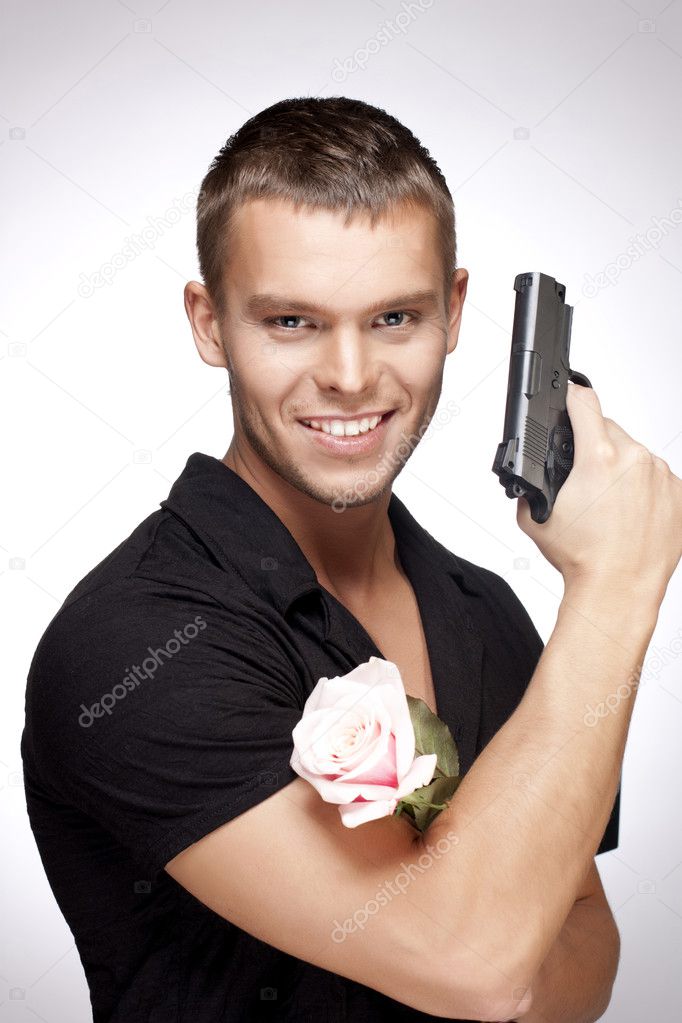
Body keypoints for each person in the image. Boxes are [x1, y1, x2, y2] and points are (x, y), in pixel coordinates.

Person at [21, 97, 681, 1023]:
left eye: (394, 317)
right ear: (210, 324)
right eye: (291, 321)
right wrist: (617, 586)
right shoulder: (131, 642)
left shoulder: (485, 609)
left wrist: (491, 936)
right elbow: (483, 963)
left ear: (453, 312)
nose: (349, 374)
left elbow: (588, 940)